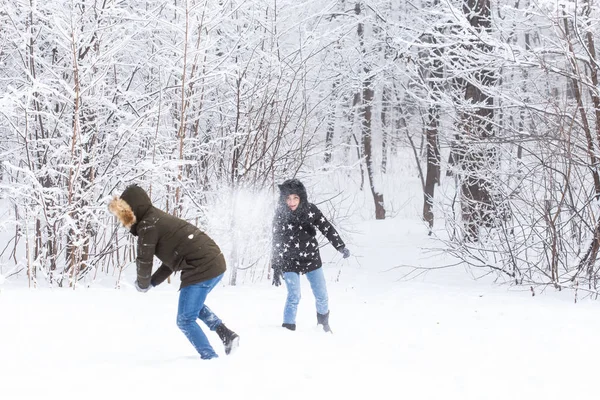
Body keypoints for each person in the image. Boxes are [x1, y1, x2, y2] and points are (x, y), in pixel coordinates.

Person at [108, 184, 239, 359]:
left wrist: (142, 283)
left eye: (123, 213)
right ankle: (227, 335)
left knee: (185, 319)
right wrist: (152, 282)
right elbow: (172, 260)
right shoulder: (155, 219)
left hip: (202, 266)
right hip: (213, 262)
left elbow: (144, 260)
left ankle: (210, 358)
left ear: (133, 209)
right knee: (191, 307)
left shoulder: (148, 226)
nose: (122, 219)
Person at [271, 179, 350, 333]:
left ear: (301, 198)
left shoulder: (310, 210)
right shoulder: (280, 215)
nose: (292, 202)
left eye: (295, 198)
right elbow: (276, 241)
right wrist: (276, 265)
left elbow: (326, 227)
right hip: (290, 260)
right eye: (288, 198)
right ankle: (287, 329)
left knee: (321, 295)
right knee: (294, 295)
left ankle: (323, 326)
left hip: (311, 258)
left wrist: (340, 246)